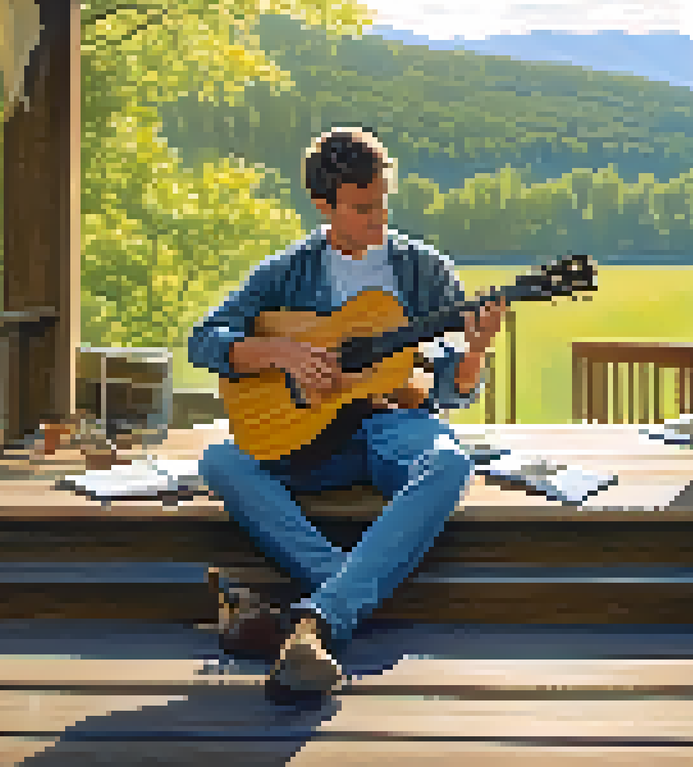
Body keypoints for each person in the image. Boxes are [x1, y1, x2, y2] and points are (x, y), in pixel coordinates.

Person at [188, 126, 505, 705]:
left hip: (392, 424)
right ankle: (348, 591)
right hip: (307, 440)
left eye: (383, 202)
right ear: (323, 205)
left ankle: (319, 614)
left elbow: (452, 389)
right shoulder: (288, 271)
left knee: (446, 464)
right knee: (221, 461)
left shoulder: (422, 271)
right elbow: (205, 340)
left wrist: (476, 352)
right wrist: (281, 352)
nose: (378, 218)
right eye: (362, 208)